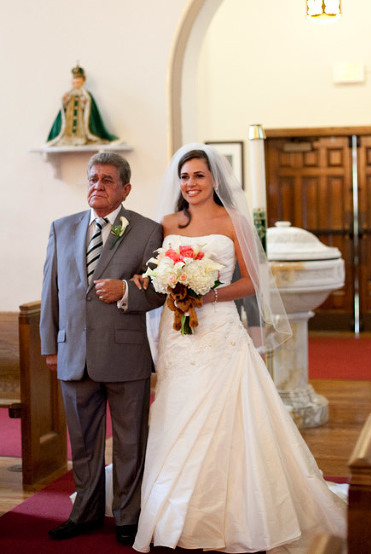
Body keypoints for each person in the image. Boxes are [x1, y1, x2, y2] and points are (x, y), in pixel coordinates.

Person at [131, 143, 346, 553]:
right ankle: (176, 509)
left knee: (224, 412)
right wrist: (154, 283)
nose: (190, 184)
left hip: (219, 330)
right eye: (184, 176)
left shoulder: (235, 221)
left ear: (214, 179)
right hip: (177, 335)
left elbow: (253, 282)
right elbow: (152, 273)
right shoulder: (167, 223)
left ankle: (236, 514)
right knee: (177, 410)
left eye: (198, 175)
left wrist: (207, 294)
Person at [40, 152, 165, 544]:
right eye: (93, 178)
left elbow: (160, 290)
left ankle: (128, 516)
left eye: (108, 180)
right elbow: (51, 292)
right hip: (73, 354)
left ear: (125, 189)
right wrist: (50, 345)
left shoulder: (146, 231)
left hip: (125, 354)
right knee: (83, 442)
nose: (97, 185)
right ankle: (86, 512)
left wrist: (125, 290)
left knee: (130, 442)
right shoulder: (62, 228)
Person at [46, 64, 119, 146]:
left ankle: (82, 138)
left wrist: (84, 102)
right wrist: (64, 100)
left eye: (78, 82)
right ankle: (69, 138)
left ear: (83, 82)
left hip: (80, 117)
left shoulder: (86, 95)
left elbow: (89, 109)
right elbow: (64, 108)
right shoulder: (70, 94)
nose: (76, 84)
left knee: (80, 127)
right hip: (70, 116)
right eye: (74, 83)